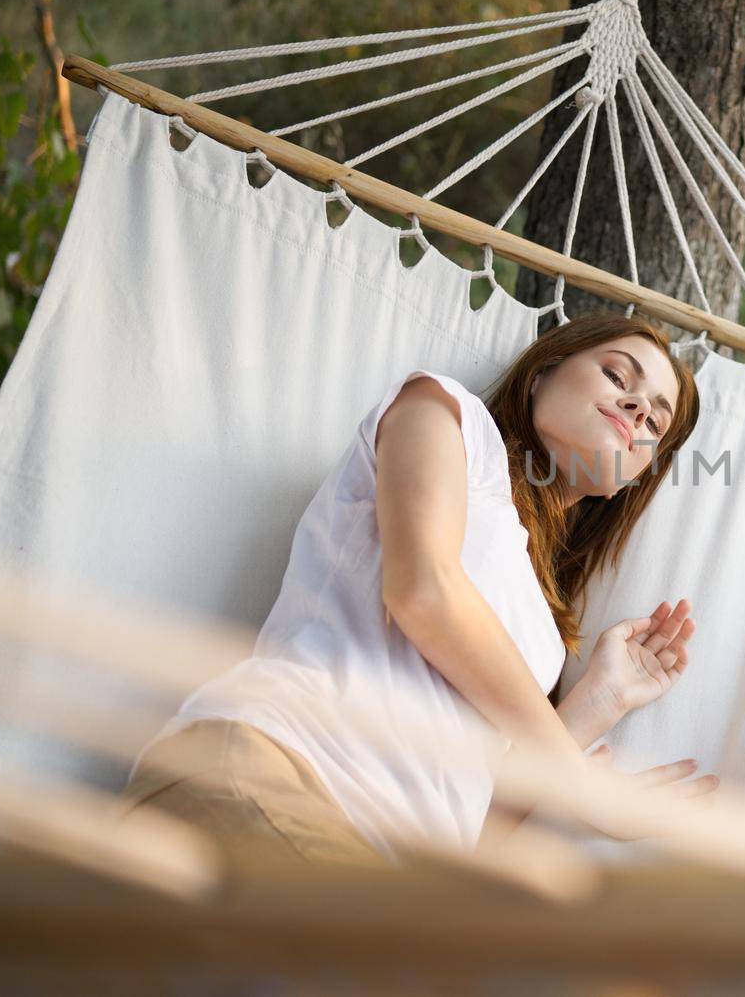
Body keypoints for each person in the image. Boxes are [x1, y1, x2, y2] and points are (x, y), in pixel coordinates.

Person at [118, 313, 713, 865]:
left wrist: (595, 703)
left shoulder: (543, 631)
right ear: (540, 376)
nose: (636, 408)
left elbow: (478, 825)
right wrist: (582, 789)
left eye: (654, 423)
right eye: (616, 375)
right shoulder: (443, 412)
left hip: (392, 866)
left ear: (627, 480)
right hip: (286, 767)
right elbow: (424, 592)